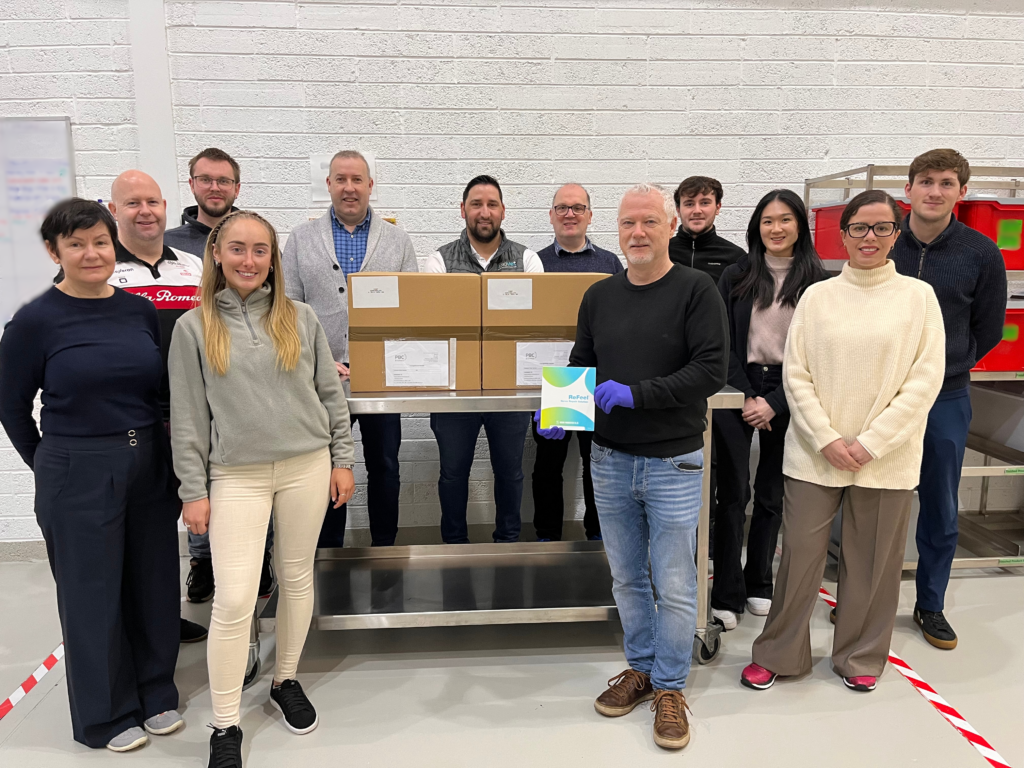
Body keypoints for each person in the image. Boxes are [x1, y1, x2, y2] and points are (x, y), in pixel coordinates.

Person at [541, 183, 727, 750]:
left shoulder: (696, 290)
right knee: (625, 577)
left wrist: (638, 395)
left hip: (674, 462)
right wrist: (561, 413)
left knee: (674, 582)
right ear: (616, 230)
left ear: (670, 226)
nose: (637, 233)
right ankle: (641, 669)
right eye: (628, 223)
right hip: (610, 460)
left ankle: (670, 687)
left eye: (648, 221)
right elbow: (582, 362)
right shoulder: (599, 295)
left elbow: (711, 370)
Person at [169, 210, 356, 768]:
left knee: (296, 578)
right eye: (238, 249)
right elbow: (187, 418)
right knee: (233, 599)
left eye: (260, 250)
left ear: (273, 259)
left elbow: (330, 395)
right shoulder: (194, 327)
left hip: (306, 466)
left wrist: (342, 460)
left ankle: (285, 680)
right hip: (236, 476)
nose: (249, 261)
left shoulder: (301, 317)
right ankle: (225, 722)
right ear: (217, 254)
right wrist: (192, 490)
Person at [742, 190, 945, 694]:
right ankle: (779, 652)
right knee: (799, 556)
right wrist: (827, 438)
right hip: (815, 453)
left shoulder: (918, 298)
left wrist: (872, 442)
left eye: (881, 227)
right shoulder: (818, 296)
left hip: (887, 457)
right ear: (844, 234)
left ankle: (859, 656)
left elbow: (925, 380)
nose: (869, 237)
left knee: (872, 563)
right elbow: (797, 373)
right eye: (859, 228)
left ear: (896, 234)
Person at [0, 199, 182, 752]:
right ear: (53, 252)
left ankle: (156, 692)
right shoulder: (34, 321)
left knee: (153, 582)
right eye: (75, 244)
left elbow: (157, 391)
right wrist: (49, 463)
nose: (91, 253)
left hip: (148, 460)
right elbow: (11, 406)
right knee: (91, 594)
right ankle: (104, 716)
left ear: (114, 244)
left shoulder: (137, 311)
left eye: (100, 241)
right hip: (77, 465)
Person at [106, 170, 233, 629]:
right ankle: (140, 626)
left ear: (164, 207)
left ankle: (164, 619)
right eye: (133, 203)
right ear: (114, 211)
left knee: (188, 520)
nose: (145, 212)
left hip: (192, 415)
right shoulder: (102, 268)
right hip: (132, 422)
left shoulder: (193, 266)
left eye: (153, 202)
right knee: (138, 530)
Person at [892, 149, 1007, 651]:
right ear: (908, 190)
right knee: (873, 500)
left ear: (961, 192)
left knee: (939, 503)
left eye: (945, 183)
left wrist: (950, 362)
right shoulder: (883, 242)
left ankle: (930, 603)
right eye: (925, 181)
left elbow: (989, 328)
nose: (934, 191)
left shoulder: (982, 253)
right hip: (883, 395)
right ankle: (866, 597)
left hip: (945, 395)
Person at [283, 149, 418, 548]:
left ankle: (385, 549)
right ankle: (328, 554)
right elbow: (288, 311)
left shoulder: (398, 241)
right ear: (328, 184)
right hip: (320, 382)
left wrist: (386, 362)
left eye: (357, 179)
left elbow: (412, 312)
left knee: (385, 465)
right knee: (326, 466)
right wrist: (319, 361)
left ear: (370, 185)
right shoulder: (301, 238)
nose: (349, 187)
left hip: (380, 380)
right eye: (340, 179)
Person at [711, 190, 828, 630]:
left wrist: (775, 401)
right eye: (767, 221)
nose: (776, 229)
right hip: (736, 387)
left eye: (785, 220)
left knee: (771, 494)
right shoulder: (736, 274)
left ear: (800, 225)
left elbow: (818, 351)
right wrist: (745, 395)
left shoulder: (819, 282)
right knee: (731, 494)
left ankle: (759, 581)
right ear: (756, 227)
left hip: (790, 389)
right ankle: (726, 592)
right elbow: (720, 340)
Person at [423, 176, 541, 543]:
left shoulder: (527, 259)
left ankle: (508, 542)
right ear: (463, 210)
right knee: (452, 474)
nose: (484, 212)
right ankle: (454, 545)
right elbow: (434, 327)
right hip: (454, 391)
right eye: (476, 204)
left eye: (492, 204)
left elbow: (538, 329)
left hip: (510, 390)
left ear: (503, 211)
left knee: (510, 474)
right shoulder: (439, 261)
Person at [530, 183, 622, 542]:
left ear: (590, 216)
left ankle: (597, 535)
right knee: (547, 464)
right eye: (562, 208)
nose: (570, 214)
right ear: (551, 215)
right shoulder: (534, 263)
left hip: (596, 379)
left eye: (578, 208)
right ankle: (547, 537)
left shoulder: (610, 264)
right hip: (552, 378)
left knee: (596, 462)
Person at [164, 147, 241, 255]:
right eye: (205, 180)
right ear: (192, 185)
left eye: (223, 181)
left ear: (236, 189)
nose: (215, 188)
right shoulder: (166, 244)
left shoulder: (257, 239)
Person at [669, 176, 746, 283]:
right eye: (689, 204)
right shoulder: (662, 252)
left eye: (705, 203)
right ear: (678, 210)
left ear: (717, 207)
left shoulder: (736, 257)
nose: (697, 211)